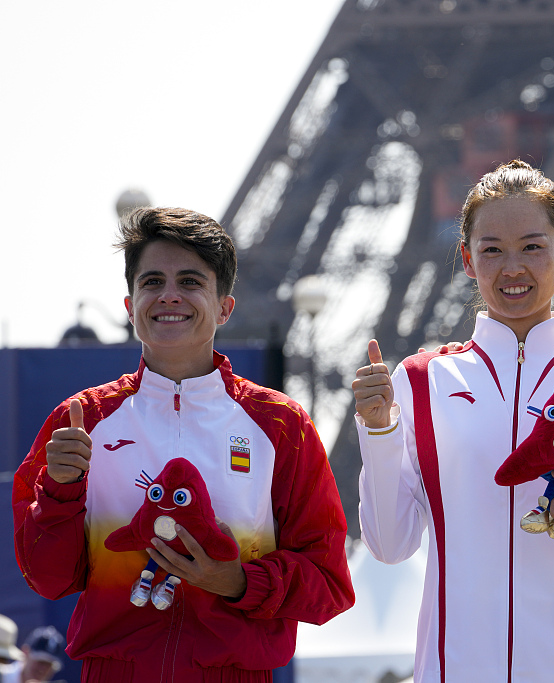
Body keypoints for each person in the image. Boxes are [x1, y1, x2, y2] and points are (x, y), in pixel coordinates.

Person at [353, 160, 554, 683]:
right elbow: (389, 546)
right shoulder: (420, 381)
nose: (512, 267)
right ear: (467, 260)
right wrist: (378, 431)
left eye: (532, 246)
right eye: (492, 249)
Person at [13, 207, 355, 682]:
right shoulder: (81, 420)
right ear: (131, 306)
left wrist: (237, 581)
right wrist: (60, 492)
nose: (169, 295)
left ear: (224, 307)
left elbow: (329, 584)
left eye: (190, 281)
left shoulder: (281, 424)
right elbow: (47, 579)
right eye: (152, 281)